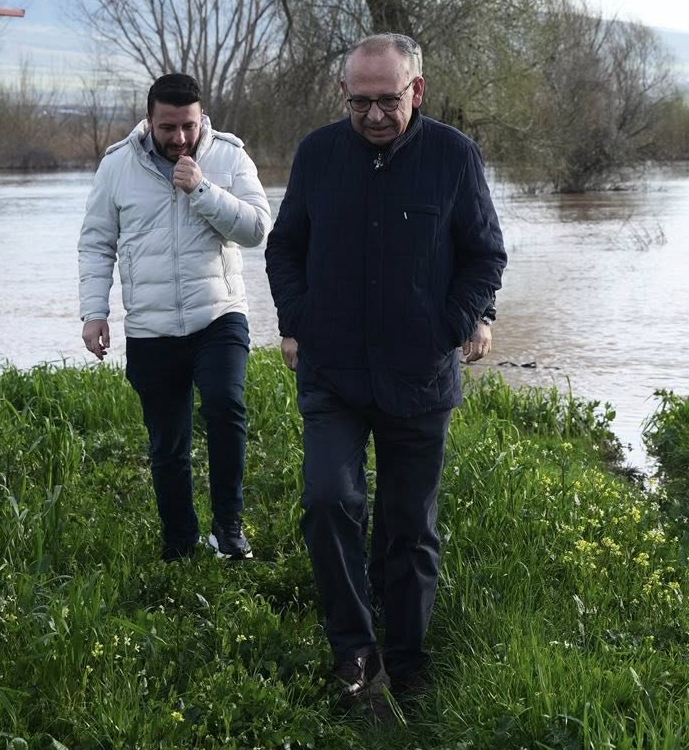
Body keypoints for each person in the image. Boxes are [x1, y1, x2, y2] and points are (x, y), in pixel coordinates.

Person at [265, 34, 505, 707]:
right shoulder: (317, 155)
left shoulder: (454, 157)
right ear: (345, 96)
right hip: (332, 370)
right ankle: (354, 651)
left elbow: (484, 255)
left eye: (386, 101)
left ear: (416, 92)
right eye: (359, 101)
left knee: (408, 526)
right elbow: (285, 248)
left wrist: (459, 321)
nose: (372, 114)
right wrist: (296, 322)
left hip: (419, 377)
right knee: (326, 501)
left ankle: (409, 658)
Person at [79, 72, 273, 562]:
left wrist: (203, 190)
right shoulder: (117, 166)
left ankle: (229, 527)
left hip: (219, 316)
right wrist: (93, 312)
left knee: (226, 408)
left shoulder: (228, 156)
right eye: (169, 127)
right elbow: (96, 242)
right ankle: (181, 543)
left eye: (188, 125)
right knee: (168, 443)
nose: (180, 138)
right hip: (150, 327)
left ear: (201, 117)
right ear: (149, 121)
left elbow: (256, 229)